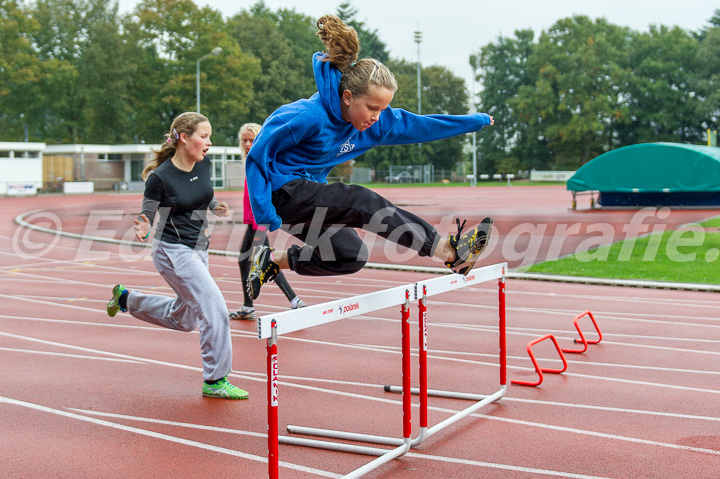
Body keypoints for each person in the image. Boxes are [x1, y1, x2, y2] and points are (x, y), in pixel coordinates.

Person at [245, 15, 495, 300]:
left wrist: (473, 121)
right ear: (349, 96)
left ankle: (273, 261)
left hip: (309, 197)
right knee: (363, 202)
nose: (376, 118)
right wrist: (263, 214)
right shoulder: (306, 116)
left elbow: (424, 125)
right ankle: (451, 253)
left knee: (349, 254)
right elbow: (257, 157)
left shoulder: (377, 123)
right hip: (283, 193)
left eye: (383, 109)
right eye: (372, 108)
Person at [106, 112, 248, 400]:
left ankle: (125, 299)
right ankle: (215, 379)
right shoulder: (161, 177)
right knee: (214, 309)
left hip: (199, 249)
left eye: (210, 136)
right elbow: (148, 208)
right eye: (204, 136)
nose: (210, 142)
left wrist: (216, 206)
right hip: (173, 251)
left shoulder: (203, 163)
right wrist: (144, 223)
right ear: (184, 138)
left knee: (185, 320)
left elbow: (204, 194)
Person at [229, 123, 306, 320]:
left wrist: (259, 224)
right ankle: (248, 307)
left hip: (258, 222)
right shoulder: (250, 161)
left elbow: (262, 196)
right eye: (244, 140)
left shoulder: (262, 162)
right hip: (251, 221)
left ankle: (294, 300)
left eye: (251, 140)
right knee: (245, 261)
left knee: (264, 262)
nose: (247, 144)